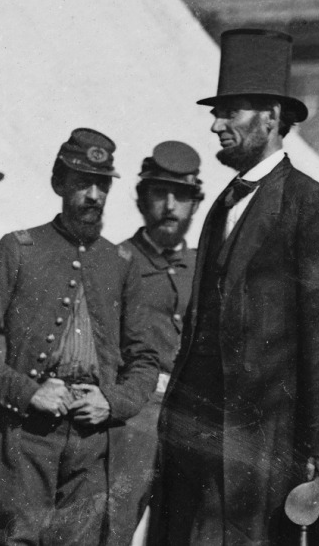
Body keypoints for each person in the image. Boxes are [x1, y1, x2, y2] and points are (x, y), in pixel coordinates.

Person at [151, 28, 319, 546]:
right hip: (198, 441)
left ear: (271, 117)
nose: (216, 124)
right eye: (217, 112)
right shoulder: (222, 204)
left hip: (264, 447)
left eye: (231, 112)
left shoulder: (307, 203)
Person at [0, 128, 159, 545]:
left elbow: (143, 359)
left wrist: (113, 401)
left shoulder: (120, 262)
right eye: (82, 182)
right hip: (24, 435)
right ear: (58, 183)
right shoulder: (18, 249)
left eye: (101, 184)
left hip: (92, 441)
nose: (93, 195)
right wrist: (27, 391)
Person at [112, 141, 204, 544]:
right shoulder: (114, 262)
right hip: (133, 419)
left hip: (192, 421)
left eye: (181, 196)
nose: (170, 205)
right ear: (140, 199)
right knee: (113, 528)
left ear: (195, 204)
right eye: (159, 193)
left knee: (181, 533)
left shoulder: (207, 267)